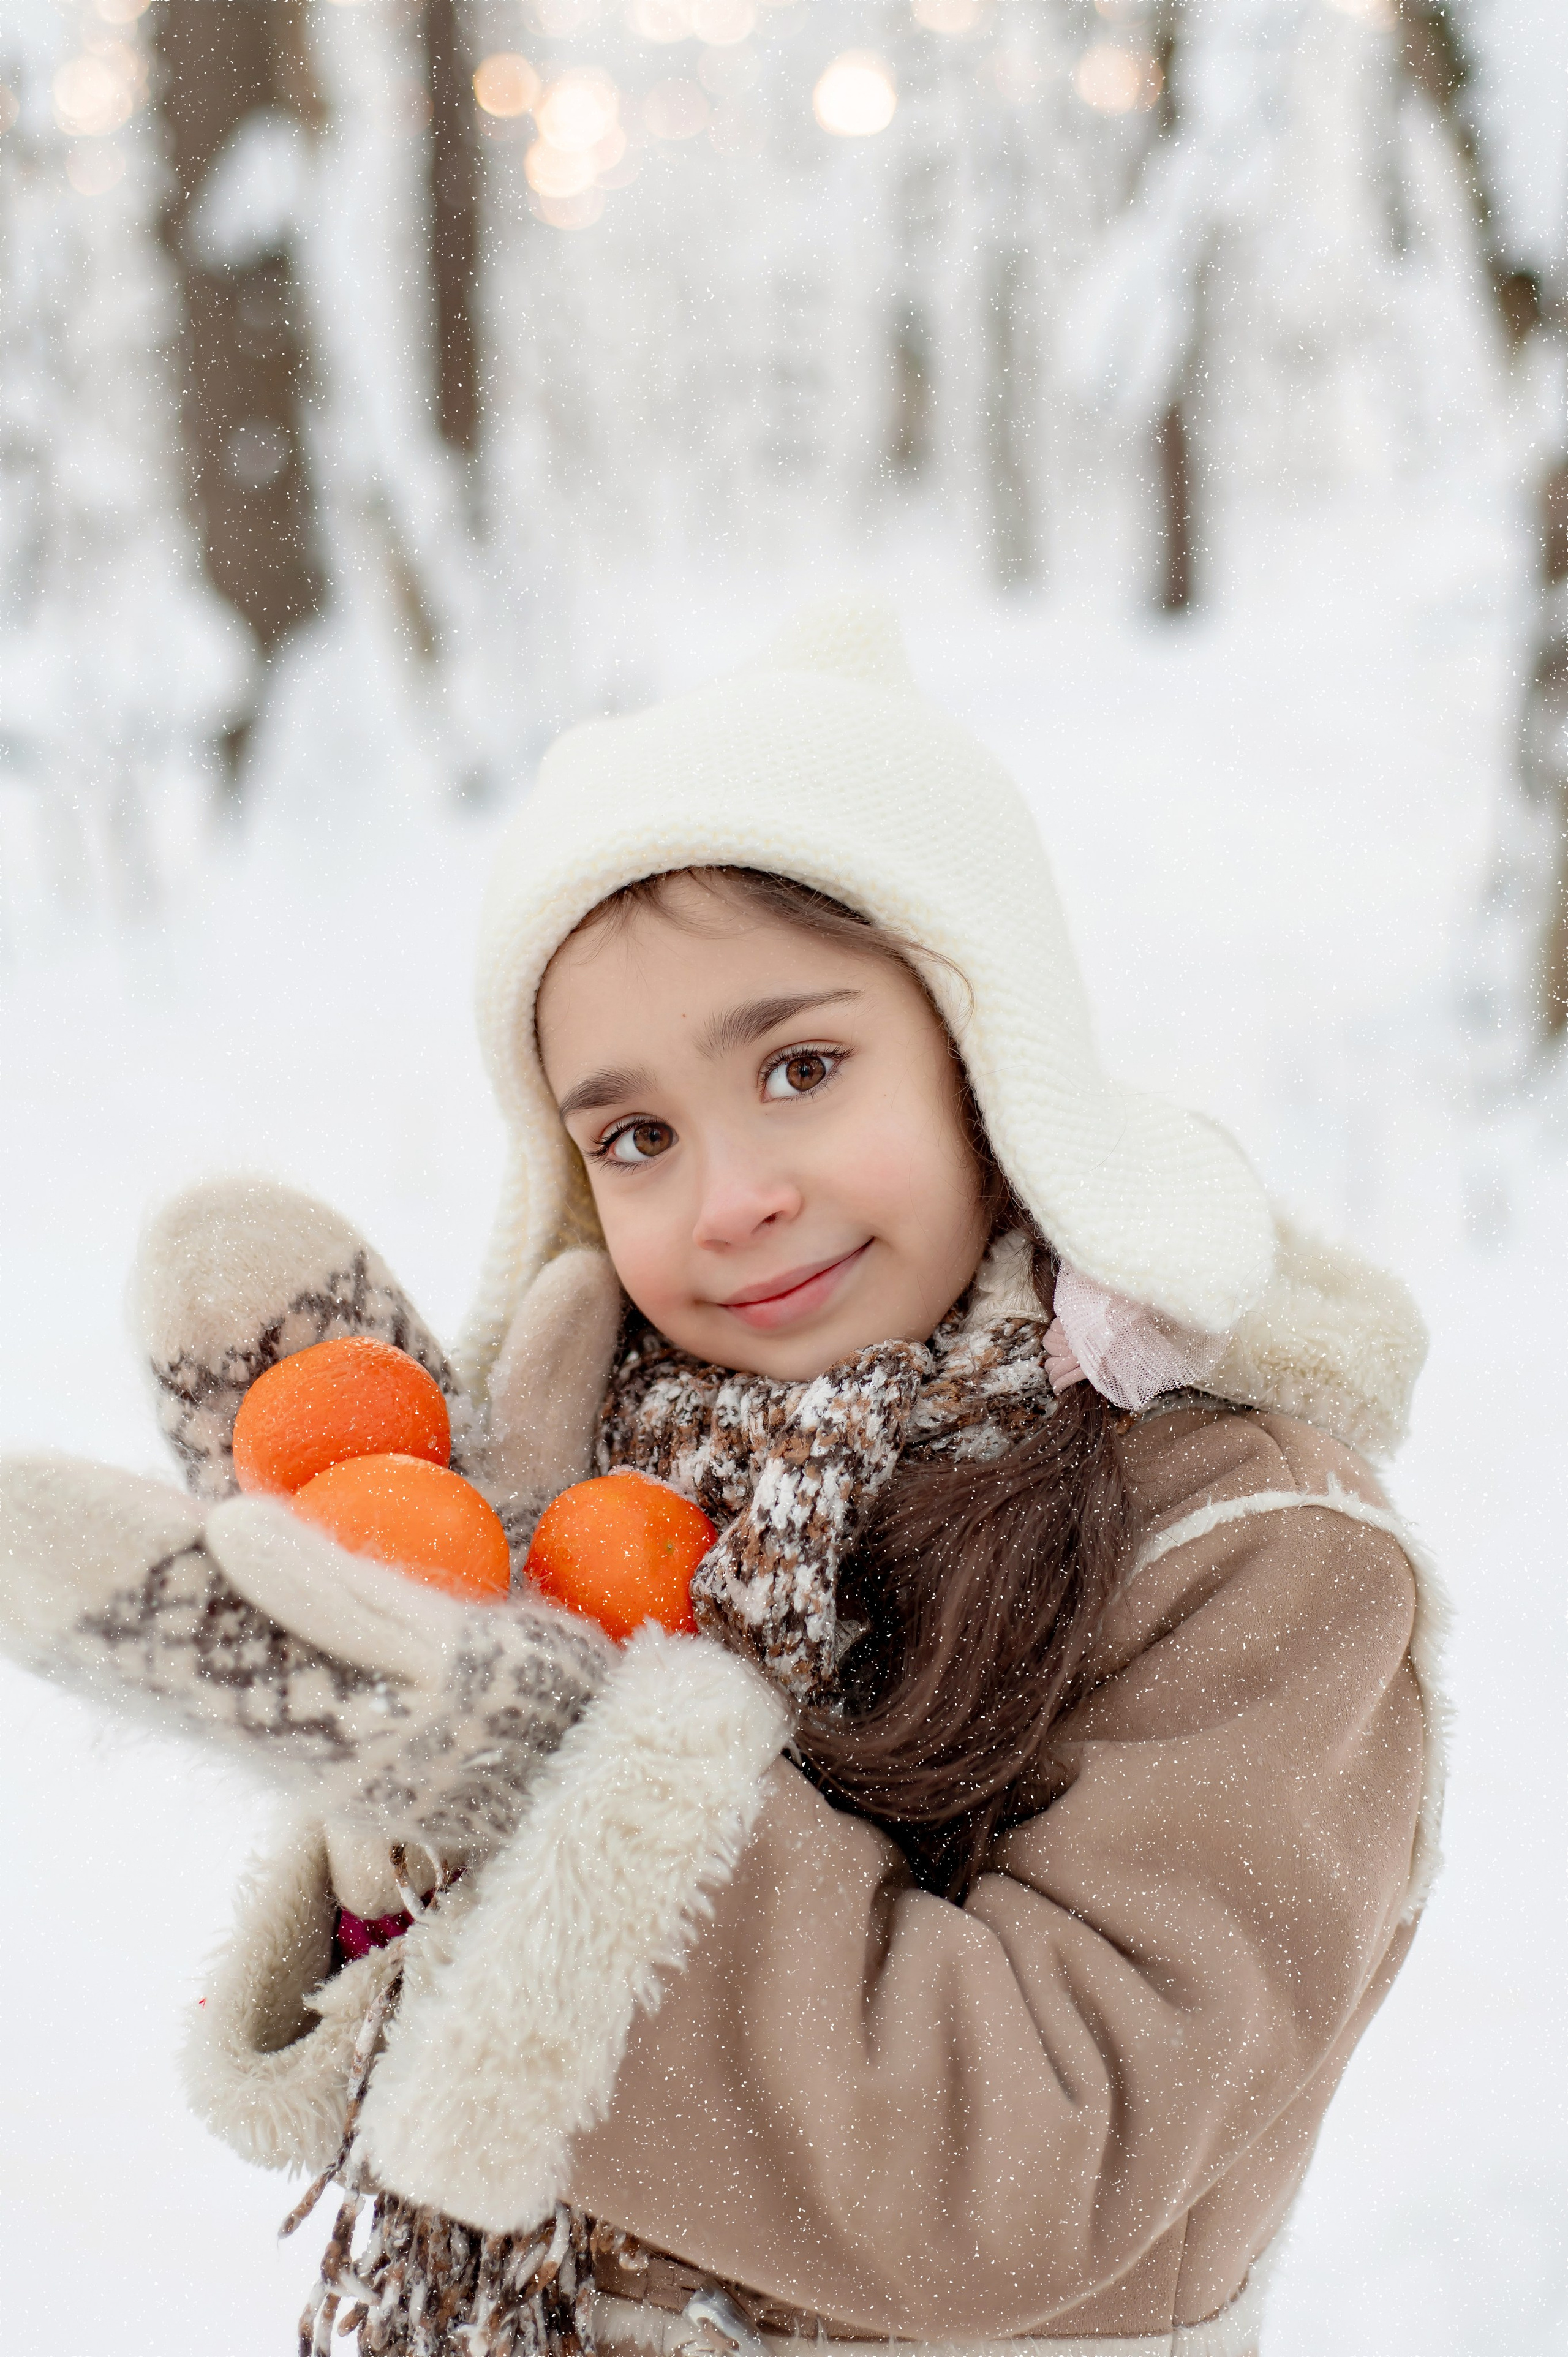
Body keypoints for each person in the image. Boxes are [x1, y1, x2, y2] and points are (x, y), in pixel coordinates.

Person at [0, 596, 1443, 2357]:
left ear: (994, 1058)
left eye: (804, 1067)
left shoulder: (1255, 1557)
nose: (729, 1193)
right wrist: (403, 1810)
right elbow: (444, 2125)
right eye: (635, 1135)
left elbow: (1035, 2164)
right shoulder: (600, 1486)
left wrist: (549, 1772)